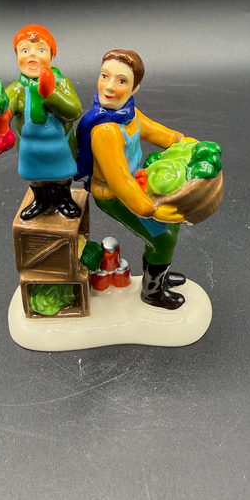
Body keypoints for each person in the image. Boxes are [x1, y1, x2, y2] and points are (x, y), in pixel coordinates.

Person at [76, 49, 194, 310]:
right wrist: (151, 209)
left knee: (170, 229)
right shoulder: (106, 130)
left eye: (121, 81)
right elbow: (120, 181)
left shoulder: (128, 112)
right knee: (163, 238)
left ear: (134, 87)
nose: (109, 86)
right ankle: (152, 292)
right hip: (113, 195)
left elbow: (156, 132)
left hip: (136, 180)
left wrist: (185, 142)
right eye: (105, 76)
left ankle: (159, 277)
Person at [0, 24, 82, 220]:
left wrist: (51, 94)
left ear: (52, 55)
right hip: (30, 147)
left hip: (60, 145)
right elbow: (7, 110)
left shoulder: (61, 83)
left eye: (41, 50)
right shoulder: (17, 89)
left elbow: (74, 111)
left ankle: (63, 199)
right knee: (36, 178)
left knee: (62, 176)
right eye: (25, 50)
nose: (32, 56)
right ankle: (40, 201)